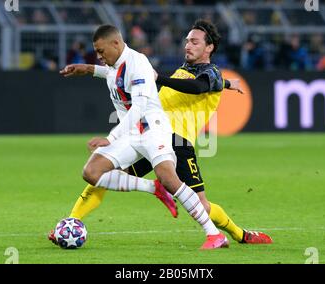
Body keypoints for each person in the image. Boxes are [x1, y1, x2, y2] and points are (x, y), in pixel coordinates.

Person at [54, 20, 272, 245]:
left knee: (201, 205)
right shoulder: (185, 70)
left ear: (209, 48)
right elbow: (122, 74)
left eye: (195, 42)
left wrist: (161, 78)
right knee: (101, 176)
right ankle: (70, 224)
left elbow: (198, 86)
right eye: (187, 41)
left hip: (178, 141)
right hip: (149, 133)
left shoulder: (211, 72)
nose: (188, 45)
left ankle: (240, 234)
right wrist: (90, 69)